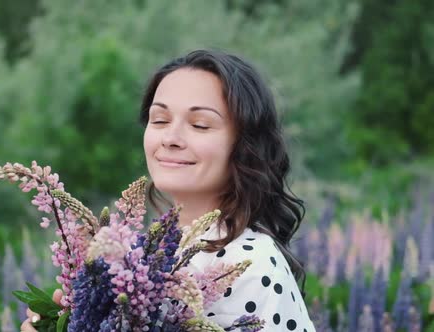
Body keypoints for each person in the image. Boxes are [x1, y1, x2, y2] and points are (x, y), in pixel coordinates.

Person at [21, 49, 315, 331]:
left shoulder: (251, 265)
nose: (171, 138)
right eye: (159, 120)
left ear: (245, 145)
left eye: (200, 125)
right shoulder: (144, 255)